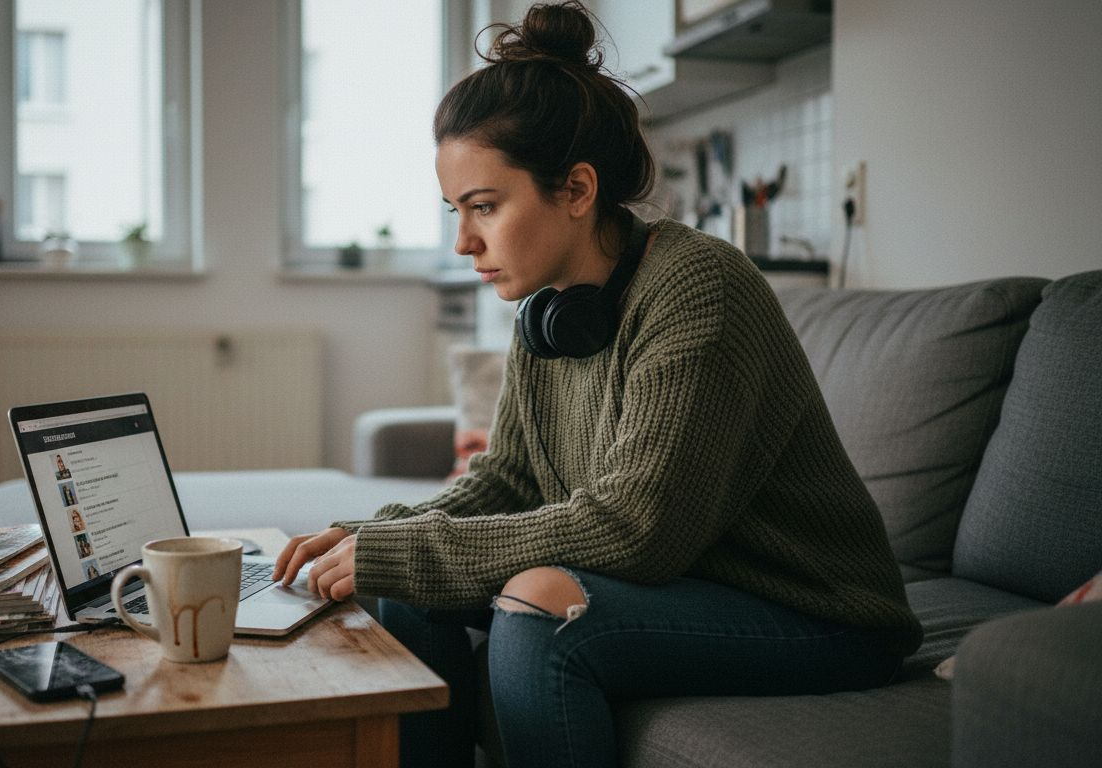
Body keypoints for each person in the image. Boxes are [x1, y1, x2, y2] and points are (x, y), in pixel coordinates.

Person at [272, 3, 921, 767]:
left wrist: (410, 546)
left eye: (484, 206)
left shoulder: (698, 286)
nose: (463, 241)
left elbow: (635, 528)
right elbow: (509, 478)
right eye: (456, 210)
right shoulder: (547, 314)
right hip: (696, 587)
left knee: (540, 609)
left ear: (576, 190)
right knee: (402, 582)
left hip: (820, 614)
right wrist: (376, 532)